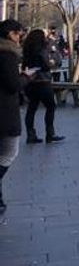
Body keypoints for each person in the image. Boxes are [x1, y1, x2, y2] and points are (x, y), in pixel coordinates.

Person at [0, 20, 24, 219]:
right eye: (18, 33)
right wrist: (25, 77)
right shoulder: (7, 55)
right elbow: (13, 84)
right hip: (5, 112)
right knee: (9, 152)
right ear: (10, 34)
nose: (20, 37)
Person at [21, 27, 62, 143]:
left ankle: (30, 133)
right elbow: (46, 65)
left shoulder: (27, 49)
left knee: (32, 108)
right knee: (51, 106)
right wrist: (51, 64)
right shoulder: (42, 49)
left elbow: (24, 65)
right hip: (43, 82)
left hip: (31, 82)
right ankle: (50, 133)